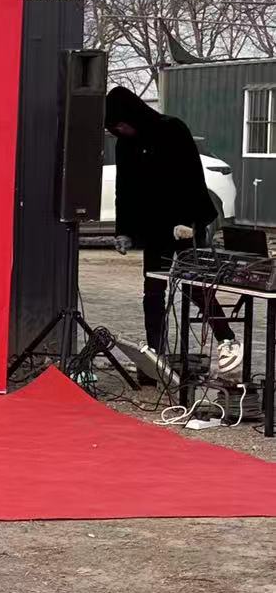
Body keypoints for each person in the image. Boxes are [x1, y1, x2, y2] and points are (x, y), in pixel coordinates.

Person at [104, 85, 242, 376]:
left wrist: (190, 222)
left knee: (194, 285)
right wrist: (123, 230)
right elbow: (124, 190)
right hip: (154, 228)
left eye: (121, 125)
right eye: (115, 129)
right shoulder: (125, 145)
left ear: (133, 116)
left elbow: (191, 177)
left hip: (184, 224)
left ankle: (227, 339)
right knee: (153, 288)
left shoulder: (172, 129)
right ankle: (156, 353)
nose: (120, 131)